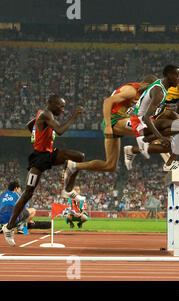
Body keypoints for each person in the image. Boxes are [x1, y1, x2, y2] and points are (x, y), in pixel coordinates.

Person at [2, 94, 84, 246]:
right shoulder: (46, 114)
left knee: (79, 156)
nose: (62, 109)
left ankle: (68, 189)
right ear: (51, 103)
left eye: (64, 106)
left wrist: (37, 131)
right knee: (28, 193)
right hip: (39, 158)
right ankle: (9, 227)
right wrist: (74, 116)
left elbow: (28, 126)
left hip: (49, 155)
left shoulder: (43, 114)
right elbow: (59, 131)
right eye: (60, 106)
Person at [63, 75, 157, 182]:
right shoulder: (131, 91)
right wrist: (108, 125)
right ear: (147, 85)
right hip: (113, 122)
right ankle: (132, 150)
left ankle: (74, 166)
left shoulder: (144, 96)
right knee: (148, 129)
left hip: (120, 121)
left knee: (110, 166)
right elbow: (107, 102)